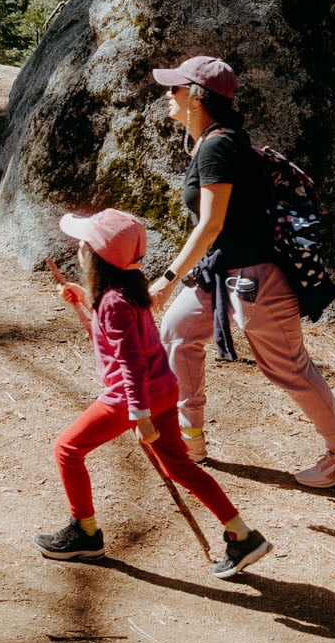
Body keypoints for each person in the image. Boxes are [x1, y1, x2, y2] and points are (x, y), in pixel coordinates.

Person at [145, 55, 335, 488]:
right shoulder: (211, 141)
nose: (167, 95)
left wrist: (166, 280)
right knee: (177, 331)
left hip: (256, 281)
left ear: (197, 97)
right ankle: (189, 439)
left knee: (288, 367)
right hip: (223, 274)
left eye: (175, 88)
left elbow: (210, 225)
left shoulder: (218, 146)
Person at [38, 207, 272, 578]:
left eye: (84, 242)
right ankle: (242, 535)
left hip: (133, 398)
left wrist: (139, 416)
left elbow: (130, 362)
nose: (79, 246)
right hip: (164, 388)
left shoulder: (113, 302)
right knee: (179, 466)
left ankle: (84, 532)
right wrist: (85, 297)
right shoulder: (126, 289)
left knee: (67, 450)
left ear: (96, 255)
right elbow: (124, 334)